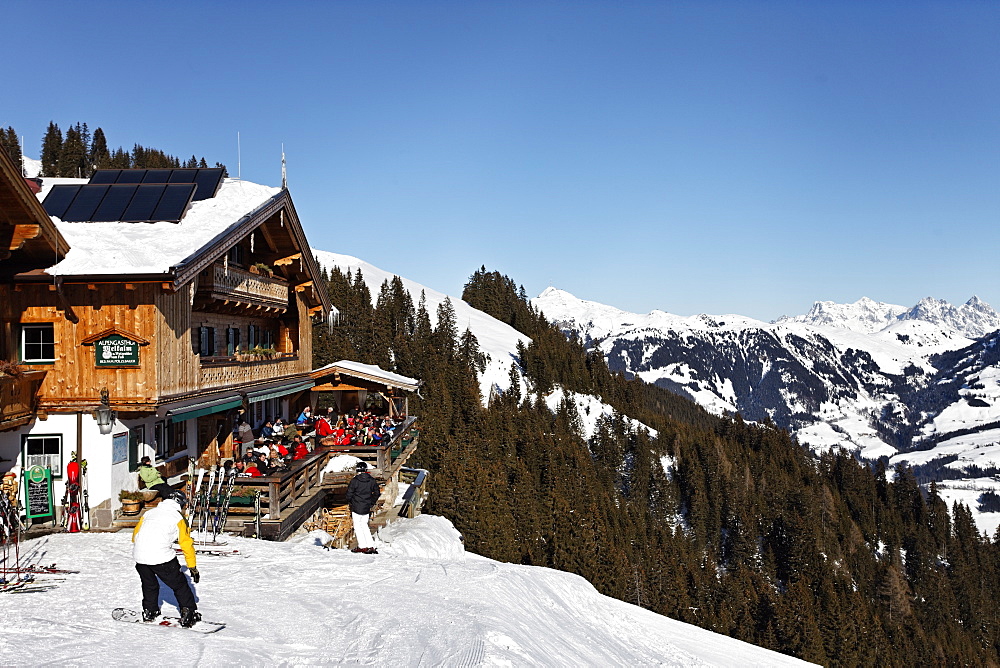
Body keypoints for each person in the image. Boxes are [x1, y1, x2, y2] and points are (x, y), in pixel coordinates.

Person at [131, 490, 201, 627]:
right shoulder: (178, 518)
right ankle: (189, 613)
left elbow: (135, 536)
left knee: (149, 585)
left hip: (140, 556)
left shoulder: (149, 513)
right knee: (180, 585)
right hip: (161, 557)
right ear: (180, 504)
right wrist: (192, 566)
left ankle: (149, 611)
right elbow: (186, 544)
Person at [345, 461, 380, 554]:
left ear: (357, 470)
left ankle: (363, 546)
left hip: (357, 506)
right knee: (364, 526)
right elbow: (377, 492)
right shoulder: (371, 480)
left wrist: (351, 502)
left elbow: (349, 494)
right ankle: (370, 545)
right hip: (366, 506)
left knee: (358, 527)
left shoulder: (355, 481)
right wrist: (371, 502)